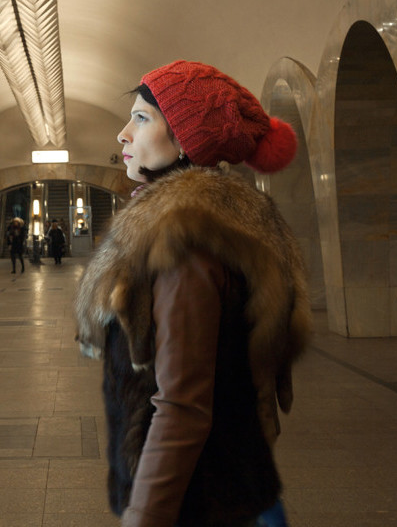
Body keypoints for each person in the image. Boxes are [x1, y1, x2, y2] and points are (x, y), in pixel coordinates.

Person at [74, 61, 311, 527]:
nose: (123, 134)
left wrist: (145, 516)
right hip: (226, 482)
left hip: (196, 498)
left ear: (186, 138)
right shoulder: (217, 226)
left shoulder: (184, 243)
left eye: (141, 118)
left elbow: (181, 404)